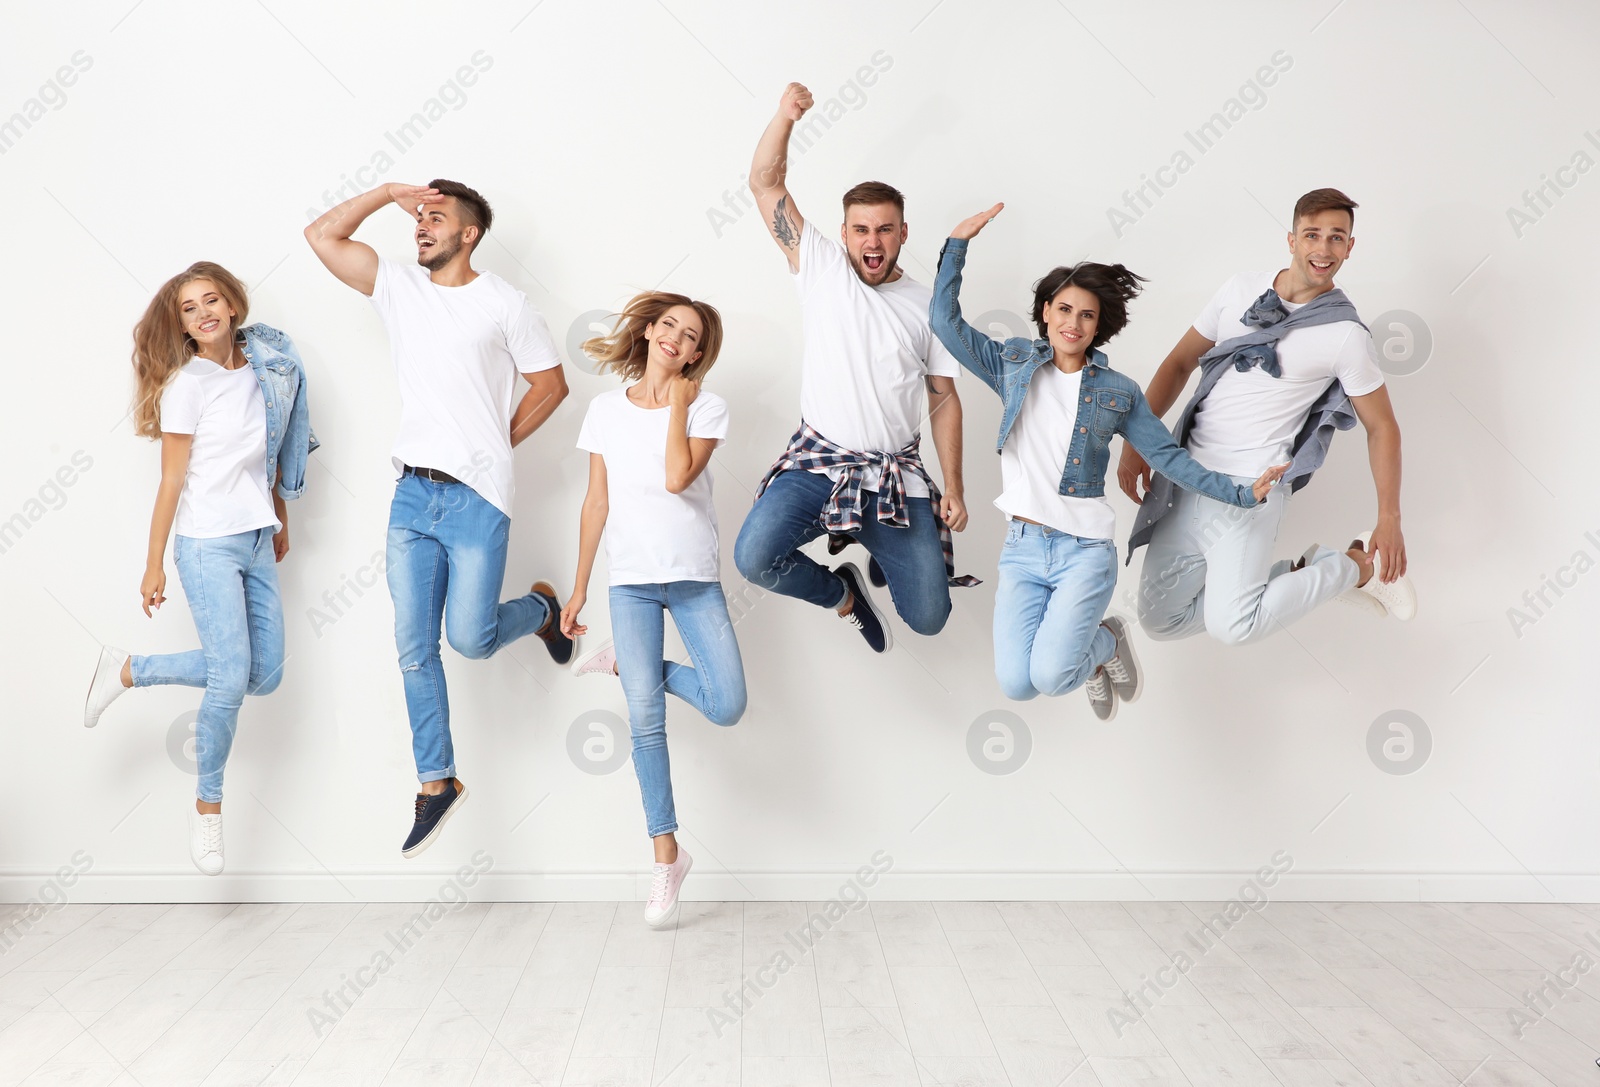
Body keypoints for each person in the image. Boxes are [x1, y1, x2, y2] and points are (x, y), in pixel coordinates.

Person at [303, 179, 571, 856]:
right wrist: (386, 192)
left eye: (437, 217)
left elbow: (552, 383)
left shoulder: (504, 302)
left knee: (473, 639)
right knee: (413, 646)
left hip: (479, 498)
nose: (421, 225)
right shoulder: (400, 288)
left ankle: (541, 612)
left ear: (470, 233)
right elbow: (321, 237)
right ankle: (436, 781)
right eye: (418, 216)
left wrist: (493, 442)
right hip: (412, 499)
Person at [931, 207, 1285, 720]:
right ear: (1046, 311)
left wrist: (1240, 492)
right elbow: (944, 322)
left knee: (1052, 677)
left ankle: (1107, 644)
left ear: (1099, 326)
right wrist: (956, 244)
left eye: (1087, 315)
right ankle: (1098, 650)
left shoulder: (1118, 393)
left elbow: (1166, 455)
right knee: (1016, 685)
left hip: (1082, 553)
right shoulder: (1009, 363)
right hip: (1023, 549)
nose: (1073, 323)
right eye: (1065, 310)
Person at [83, 262, 317, 874]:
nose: (203, 313)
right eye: (189, 308)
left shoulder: (268, 364)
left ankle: (130, 669)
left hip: (257, 537)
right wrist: (153, 562)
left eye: (211, 299)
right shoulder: (189, 384)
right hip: (206, 542)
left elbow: (276, 448)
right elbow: (171, 480)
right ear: (181, 323)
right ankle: (208, 808)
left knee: (262, 676)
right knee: (230, 673)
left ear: (234, 304)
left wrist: (280, 516)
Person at [732, 81, 971, 656]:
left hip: (893, 476)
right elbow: (764, 182)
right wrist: (786, 117)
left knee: (930, 617)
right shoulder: (821, 268)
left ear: (902, 235)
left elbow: (943, 396)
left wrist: (955, 487)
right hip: (819, 465)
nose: (873, 239)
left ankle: (879, 546)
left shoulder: (925, 304)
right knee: (754, 559)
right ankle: (842, 592)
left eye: (885, 229)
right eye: (861, 229)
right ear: (843, 234)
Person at [1119, 188, 1415, 646]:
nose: (1323, 249)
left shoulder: (1345, 334)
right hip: (1189, 477)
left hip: (1253, 489)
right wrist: (1136, 442)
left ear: (1350, 247)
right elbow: (1178, 365)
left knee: (1233, 625)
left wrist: (1389, 518)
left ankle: (1357, 568)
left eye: (1337, 238)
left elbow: (1382, 426)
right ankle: (1303, 572)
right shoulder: (1239, 289)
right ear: (1292, 239)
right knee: (1160, 620)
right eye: (1312, 234)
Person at [562, 292, 747, 927]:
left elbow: (676, 477)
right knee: (645, 722)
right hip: (630, 582)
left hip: (693, 577)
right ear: (647, 332)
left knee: (727, 704)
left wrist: (677, 404)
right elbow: (595, 502)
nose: (675, 337)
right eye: (668, 324)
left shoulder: (708, 406)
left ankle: (631, 664)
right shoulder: (603, 411)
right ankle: (667, 856)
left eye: (690, 335)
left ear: (699, 353)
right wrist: (580, 586)